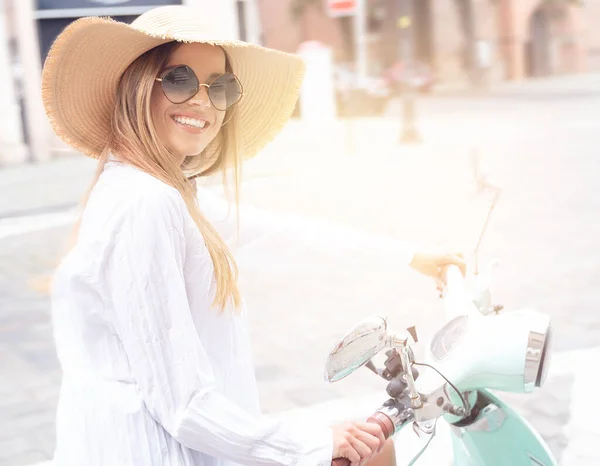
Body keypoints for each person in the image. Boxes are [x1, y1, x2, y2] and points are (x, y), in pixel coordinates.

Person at [42, 6, 465, 466]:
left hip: (170, 445)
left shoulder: (162, 192)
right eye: (180, 80)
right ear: (138, 86)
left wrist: (410, 256)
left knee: (384, 451)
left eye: (221, 87)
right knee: (386, 453)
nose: (203, 102)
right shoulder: (146, 202)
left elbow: (283, 233)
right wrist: (314, 443)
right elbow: (183, 406)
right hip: (158, 451)